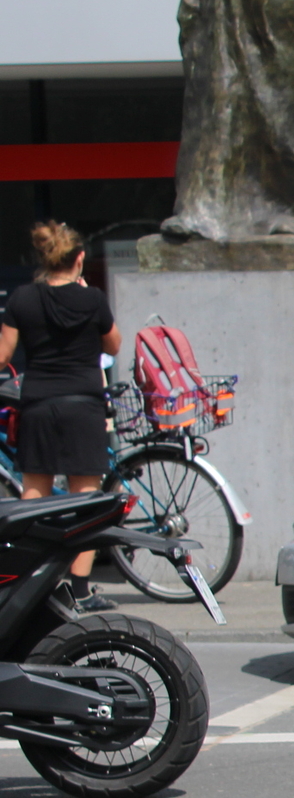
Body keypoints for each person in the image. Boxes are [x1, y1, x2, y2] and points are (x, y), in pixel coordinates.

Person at [0, 220, 122, 611]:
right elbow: (115, 345)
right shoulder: (93, 301)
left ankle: (27, 583)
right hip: (83, 407)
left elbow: (3, 354)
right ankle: (80, 589)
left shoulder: (22, 299)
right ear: (79, 259)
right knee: (85, 500)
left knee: (34, 496)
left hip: (37, 406)